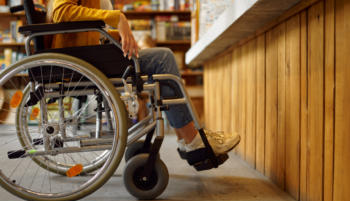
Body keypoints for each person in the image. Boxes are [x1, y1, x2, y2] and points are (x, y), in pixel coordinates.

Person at [45, 0, 240, 160]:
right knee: (163, 59)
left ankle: (187, 138)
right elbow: (61, 12)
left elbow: (85, 30)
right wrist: (117, 17)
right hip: (80, 60)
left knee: (161, 58)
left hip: (84, 55)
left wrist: (121, 35)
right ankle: (192, 139)